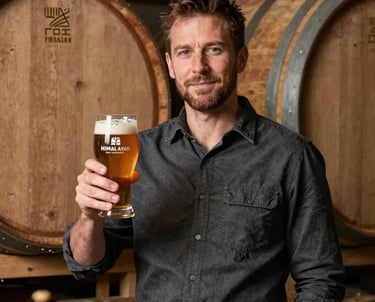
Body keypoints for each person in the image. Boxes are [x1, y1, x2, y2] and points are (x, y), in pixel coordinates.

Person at [63, 0, 345, 301]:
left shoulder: (292, 156)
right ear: (171, 65)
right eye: (185, 52)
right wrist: (90, 217)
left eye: (214, 49)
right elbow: (86, 265)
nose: (199, 67)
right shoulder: (141, 152)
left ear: (241, 58)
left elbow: (321, 280)